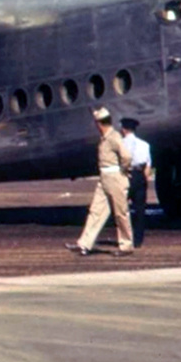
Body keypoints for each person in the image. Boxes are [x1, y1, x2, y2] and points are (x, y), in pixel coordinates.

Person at [67, 106, 134, 256]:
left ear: (99, 123)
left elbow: (127, 156)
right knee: (95, 211)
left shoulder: (114, 137)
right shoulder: (105, 138)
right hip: (104, 178)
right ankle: (84, 244)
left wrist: (123, 171)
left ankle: (126, 245)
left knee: (120, 213)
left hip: (115, 178)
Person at [121, 117, 152, 248]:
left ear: (123, 129)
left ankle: (125, 238)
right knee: (139, 210)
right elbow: (148, 164)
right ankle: (138, 240)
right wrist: (144, 180)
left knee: (122, 209)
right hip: (140, 176)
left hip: (127, 175)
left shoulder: (121, 144)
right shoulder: (145, 144)